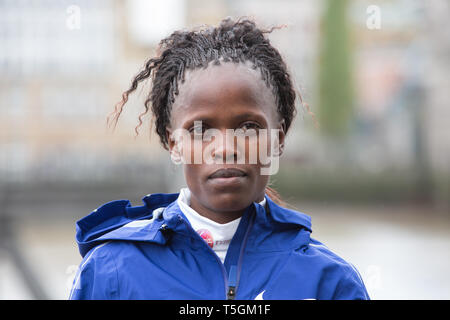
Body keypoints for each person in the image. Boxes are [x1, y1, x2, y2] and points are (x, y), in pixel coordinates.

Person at [69, 17, 369, 300]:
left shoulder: (328, 281)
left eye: (248, 127)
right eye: (201, 130)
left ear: (277, 141)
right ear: (174, 144)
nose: (225, 147)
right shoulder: (110, 272)